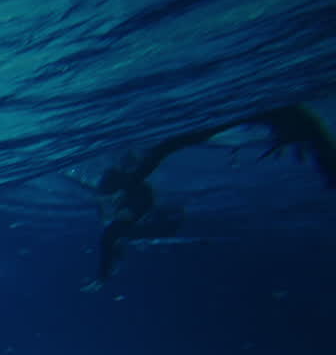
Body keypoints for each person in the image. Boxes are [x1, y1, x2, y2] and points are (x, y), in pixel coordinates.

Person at [91, 104, 336, 286]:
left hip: (266, 123)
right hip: (272, 124)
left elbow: (171, 146)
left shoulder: (136, 193)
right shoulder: (131, 197)